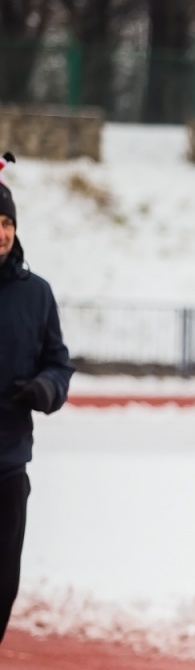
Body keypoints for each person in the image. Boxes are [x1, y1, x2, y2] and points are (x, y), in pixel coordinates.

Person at [0, 151, 74, 642]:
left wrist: (44, 389)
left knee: (2, 583)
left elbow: (58, 363)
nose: (1, 232)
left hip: (7, 464)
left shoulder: (36, 294)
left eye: (7, 223)